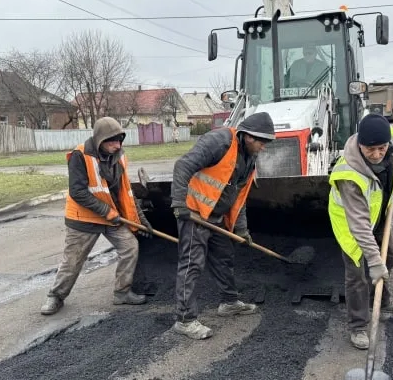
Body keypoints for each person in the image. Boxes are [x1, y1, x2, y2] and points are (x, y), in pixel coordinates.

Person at [169, 112, 276, 340]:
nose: (263, 147)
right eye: (261, 142)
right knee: (192, 264)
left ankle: (229, 303)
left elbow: (239, 197)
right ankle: (185, 320)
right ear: (248, 136)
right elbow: (182, 166)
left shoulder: (249, 158)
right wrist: (179, 203)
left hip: (216, 216)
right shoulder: (218, 142)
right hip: (194, 212)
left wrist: (241, 229)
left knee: (224, 256)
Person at [41, 116, 152, 315]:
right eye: (113, 141)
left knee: (130, 247)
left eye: (120, 141)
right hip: (83, 218)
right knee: (73, 260)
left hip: (111, 217)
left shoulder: (119, 158)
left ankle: (122, 292)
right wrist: (106, 212)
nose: (117, 145)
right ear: (101, 140)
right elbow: (78, 192)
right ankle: (56, 296)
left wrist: (142, 220)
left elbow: (126, 192)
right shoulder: (80, 155)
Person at [327, 113, 393, 349]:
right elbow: (359, 225)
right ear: (360, 144)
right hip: (350, 223)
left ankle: (383, 301)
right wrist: (373, 261)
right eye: (370, 149)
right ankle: (358, 326)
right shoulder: (348, 174)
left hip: (378, 212)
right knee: (358, 276)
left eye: (382, 148)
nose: (376, 154)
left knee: (390, 257)